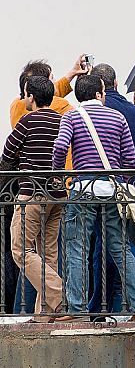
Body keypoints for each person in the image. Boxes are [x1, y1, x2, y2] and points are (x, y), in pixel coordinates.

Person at [52, 72, 135, 318]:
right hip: (111, 189)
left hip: (83, 189)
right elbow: (130, 159)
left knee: (77, 248)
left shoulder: (72, 116)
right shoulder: (117, 117)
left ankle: (76, 308)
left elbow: (60, 146)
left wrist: (58, 173)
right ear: (99, 94)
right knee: (120, 245)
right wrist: (122, 181)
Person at [3, 76, 66, 319]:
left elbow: (8, 153)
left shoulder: (27, 121)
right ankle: (46, 312)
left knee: (20, 249)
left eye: (25, 94)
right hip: (57, 195)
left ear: (31, 97)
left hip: (33, 193)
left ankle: (61, 295)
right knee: (48, 253)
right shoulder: (62, 120)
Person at [8, 60, 78, 128]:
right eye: (52, 78)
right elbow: (81, 118)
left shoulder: (16, 105)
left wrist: (72, 73)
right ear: (43, 84)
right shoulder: (61, 105)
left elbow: (47, 95)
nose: (55, 81)